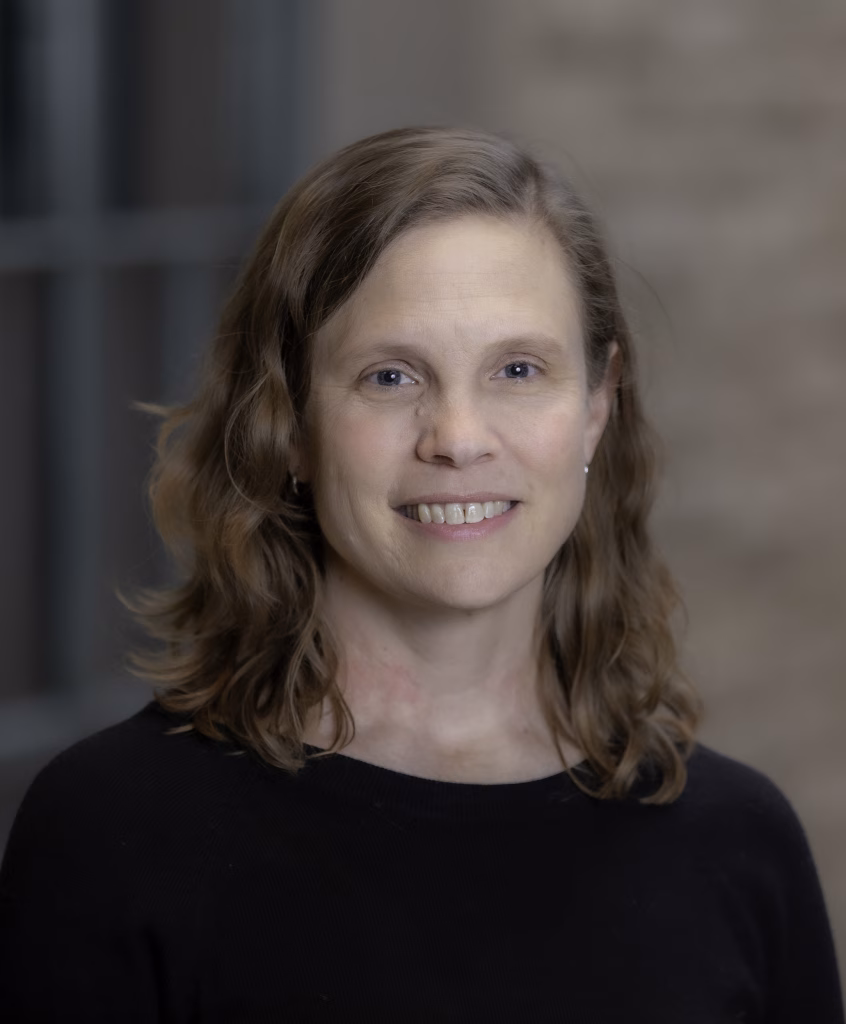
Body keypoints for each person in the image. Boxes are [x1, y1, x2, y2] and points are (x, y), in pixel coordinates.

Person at [0, 126, 842, 1023]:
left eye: (518, 369)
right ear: (286, 424)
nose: (459, 437)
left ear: (598, 405)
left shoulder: (739, 845)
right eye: (392, 376)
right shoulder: (113, 832)